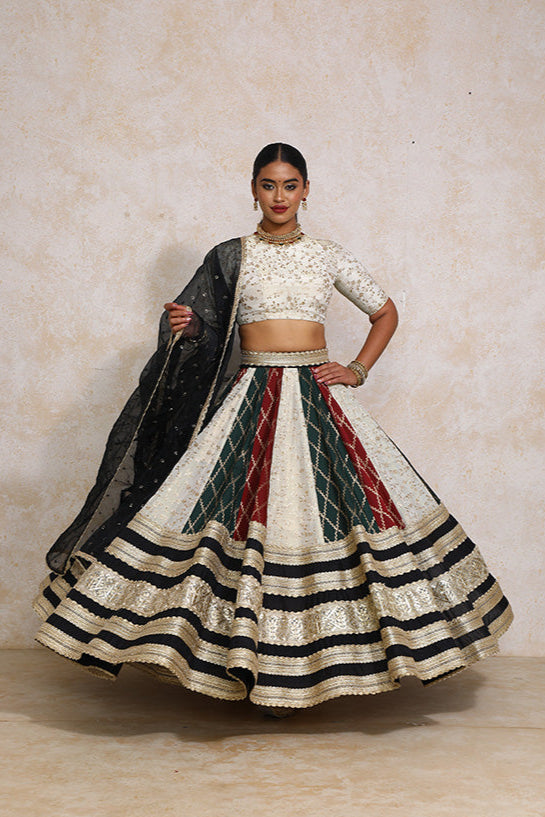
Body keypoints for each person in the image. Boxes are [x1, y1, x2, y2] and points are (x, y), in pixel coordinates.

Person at [34, 143, 513, 713]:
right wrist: (188, 328)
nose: (279, 196)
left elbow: (385, 312)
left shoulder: (326, 254)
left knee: (342, 512)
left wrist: (357, 368)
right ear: (253, 189)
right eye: (268, 185)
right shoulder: (230, 255)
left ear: (306, 190)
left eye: (290, 185)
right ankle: (229, 657)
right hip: (249, 398)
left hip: (318, 396)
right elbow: (208, 333)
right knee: (227, 515)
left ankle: (329, 661)